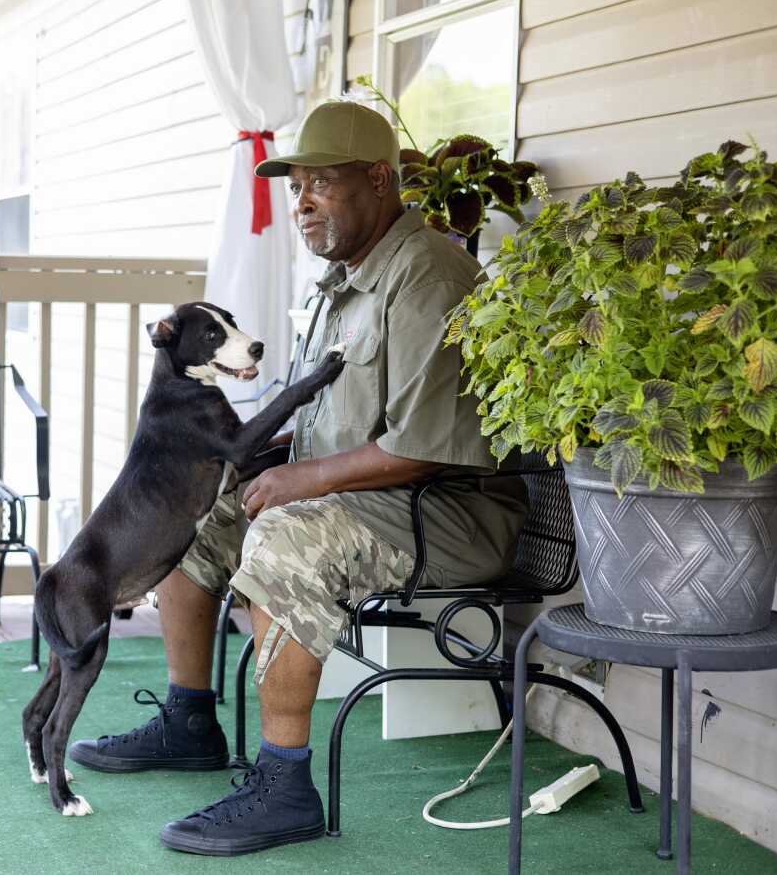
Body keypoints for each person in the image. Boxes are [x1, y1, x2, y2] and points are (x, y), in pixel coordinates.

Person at [68, 100, 528, 856]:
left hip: (443, 514)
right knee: (196, 512)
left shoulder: (426, 276)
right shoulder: (344, 282)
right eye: (295, 189)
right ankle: (190, 722)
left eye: (320, 184)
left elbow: (422, 448)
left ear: (379, 180)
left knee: (284, 535)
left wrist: (299, 481)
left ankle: (285, 787)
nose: (303, 204)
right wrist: (244, 462)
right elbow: (330, 427)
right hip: (369, 499)